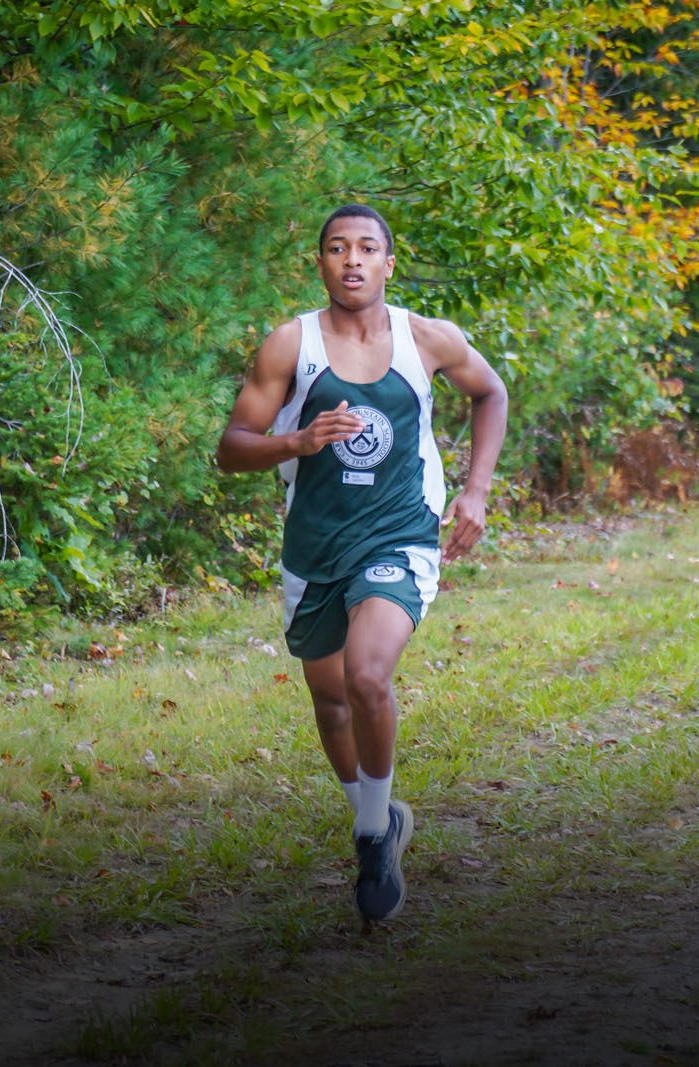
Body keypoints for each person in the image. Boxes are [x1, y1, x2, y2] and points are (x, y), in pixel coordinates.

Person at [215, 204, 508, 922]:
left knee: (367, 675)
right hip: (315, 544)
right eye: (337, 248)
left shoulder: (426, 338)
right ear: (320, 263)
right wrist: (299, 442)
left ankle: (374, 833)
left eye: (367, 247)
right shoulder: (291, 345)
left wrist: (474, 491)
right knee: (331, 700)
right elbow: (230, 449)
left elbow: (490, 392)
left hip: (400, 533)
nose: (352, 259)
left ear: (388, 263)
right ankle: (378, 813)